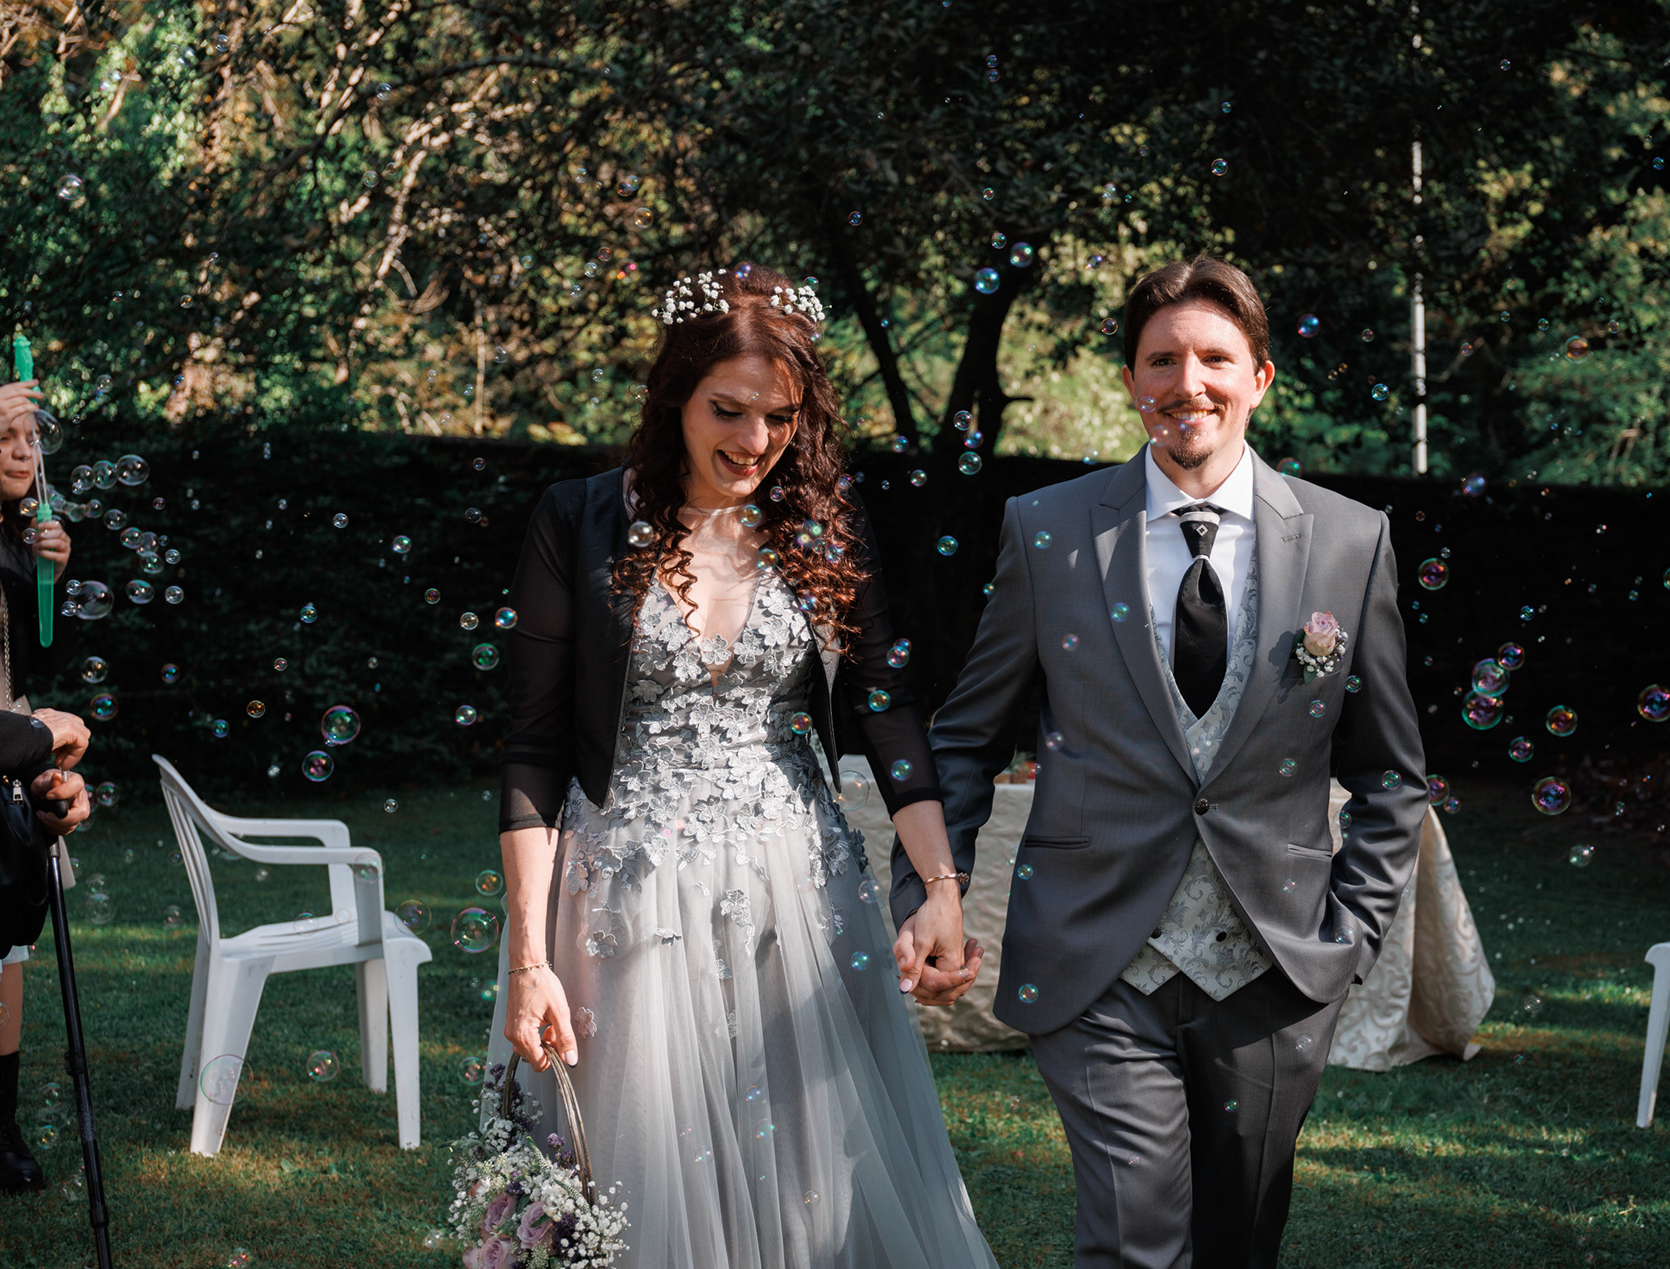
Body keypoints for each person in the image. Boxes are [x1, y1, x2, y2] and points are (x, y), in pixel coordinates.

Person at [903, 257, 1426, 1268]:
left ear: (1260, 377)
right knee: (1133, 1239)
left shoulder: (1349, 541)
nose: (1190, 384)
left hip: (1275, 966)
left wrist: (1348, 939)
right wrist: (932, 888)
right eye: (1162, 360)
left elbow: (1391, 773)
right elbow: (966, 737)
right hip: (1095, 958)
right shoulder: (1048, 531)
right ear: (1131, 380)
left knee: (1238, 1244)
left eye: (1216, 359)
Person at [497, 265, 997, 1268]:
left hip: (797, 889)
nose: (755, 440)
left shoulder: (825, 522)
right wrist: (528, 957)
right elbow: (535, 746)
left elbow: (885, 707)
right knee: (645, 1180)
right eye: (727, 410)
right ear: (673, 397)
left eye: (780, 416)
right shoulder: (578, 518)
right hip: (627, 897)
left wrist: (940, 888)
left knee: (814, 1171)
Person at [0, 376, 83, 1196]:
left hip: (10, 749)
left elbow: (31, 666)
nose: (26, 452)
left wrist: (47, 578)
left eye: (32, 437)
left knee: (6, 947)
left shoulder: (19, 535)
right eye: (5, 436)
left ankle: (1, 1122)